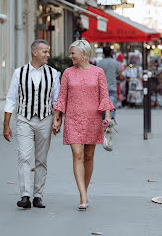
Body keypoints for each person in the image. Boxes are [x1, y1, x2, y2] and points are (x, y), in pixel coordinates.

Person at [52, 40, 114, 211]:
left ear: (84, 54)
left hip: (93, 119)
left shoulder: (98, 72)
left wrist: (107, 117)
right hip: (73, 118)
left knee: (88, 156)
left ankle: (84, 190)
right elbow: (62, 96)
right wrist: (57, 116)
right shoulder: (67, 73)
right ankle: (83, 195)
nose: (70, 56)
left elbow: (104, 96)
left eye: (73, 53)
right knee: (77, 154)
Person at [3, 39, 60, 209]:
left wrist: (57, 120)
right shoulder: (19, 73)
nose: (48, 55)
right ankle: (25, 195)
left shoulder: (53, 73)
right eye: (45, 52)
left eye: (48, 52)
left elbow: (57, 101)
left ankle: (38, 195)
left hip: (45, 119)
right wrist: (6, 125)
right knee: (24, 157)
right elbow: (11, 99)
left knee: (41, 159)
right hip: (24, 120)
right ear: (34, 52)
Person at [97, 46, 124, 121]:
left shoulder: (99, 63)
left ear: (103, 53)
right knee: (112, 106)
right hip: (112, 87)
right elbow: (121, 76)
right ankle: (109, 122)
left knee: (102, 105)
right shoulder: (115, 63)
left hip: (101, 88)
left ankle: (104, 121)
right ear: (111, 53)